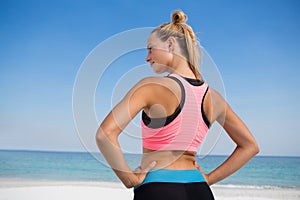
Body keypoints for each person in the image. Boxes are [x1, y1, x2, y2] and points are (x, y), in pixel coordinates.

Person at [96, 10, 259, 200]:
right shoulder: (213, 97)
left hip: (158, 190)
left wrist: (129, 179)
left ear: (171, 45)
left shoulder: (150, 86)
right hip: (199, 190)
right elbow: (250, 146)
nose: (147, 57)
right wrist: (208, 178)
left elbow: (105, 134)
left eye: (150, 48)